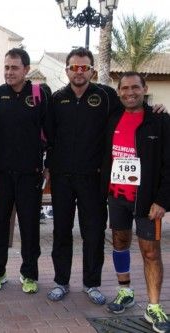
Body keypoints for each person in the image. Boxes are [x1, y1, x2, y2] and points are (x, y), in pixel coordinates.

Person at [45, 47, 120, 304]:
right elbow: (47, 136)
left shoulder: (107, 96)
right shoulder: (56, 99)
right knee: (61, 231)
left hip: (94, 178)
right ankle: (61, 282)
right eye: (74, 67)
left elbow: (131, 113)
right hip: (62, 176)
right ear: (66, 70)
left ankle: (92, 284)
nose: (79, 72)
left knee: (94, 232)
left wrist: (153, 108)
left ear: (92, 70)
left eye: (84, 68)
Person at [100, 72, 170, 332]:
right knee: (119, 242)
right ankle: (125, 291)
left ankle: (153, 306)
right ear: (118, 92)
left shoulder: (160, 120)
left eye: (135, 88)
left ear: (145, 88)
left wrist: (163, 200)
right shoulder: (112, 118)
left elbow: (169, 164)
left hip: (147, 201)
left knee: (151, 252)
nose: (130, 93)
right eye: (125, 88)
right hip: (117, 197)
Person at [0, 48, 50, 294]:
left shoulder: (39, 94)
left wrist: (48, 165)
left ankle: (29, 274)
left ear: (25, 69)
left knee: (30, 226)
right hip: (0, 174)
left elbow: (51, 132)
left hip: (29, 173)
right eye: (6, 67)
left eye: (14, 68)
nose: (9, 72)